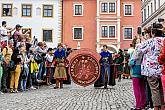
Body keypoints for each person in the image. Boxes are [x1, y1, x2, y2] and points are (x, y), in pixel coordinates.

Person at [136, 28, 164, 109]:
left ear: (153, 33)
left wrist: (140, 40)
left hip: (151, 69)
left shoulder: (150, 41)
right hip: (162, 68)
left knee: (154, 89)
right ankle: (163, 106)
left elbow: (139, 50)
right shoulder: (164, 40)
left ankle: (156, 107)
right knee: (162, 89)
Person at [129, 38, 146, 110]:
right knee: (142, 88)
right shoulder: (144, 50)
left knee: (136, 89)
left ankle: (138, 105)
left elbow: (131, 62)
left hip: (136, 71)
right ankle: (143, 104)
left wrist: (129, 62)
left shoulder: (136, 50)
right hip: (143, 71)